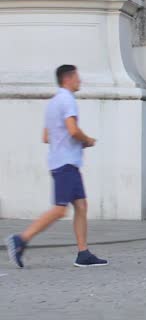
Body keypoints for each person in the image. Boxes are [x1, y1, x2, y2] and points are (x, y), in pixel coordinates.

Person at [6, 65, 108, 268]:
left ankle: (83, 253)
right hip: (66, 163)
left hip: (60, 161)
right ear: (68, 78)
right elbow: (72, 129)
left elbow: (46, 136)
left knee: (81, 206)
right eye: (78, 77)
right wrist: (86, 140)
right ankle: (20, 239)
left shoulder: (52, 103)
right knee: (60, 210)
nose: (80, 81)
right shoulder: (68, 100)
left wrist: (65, 141)